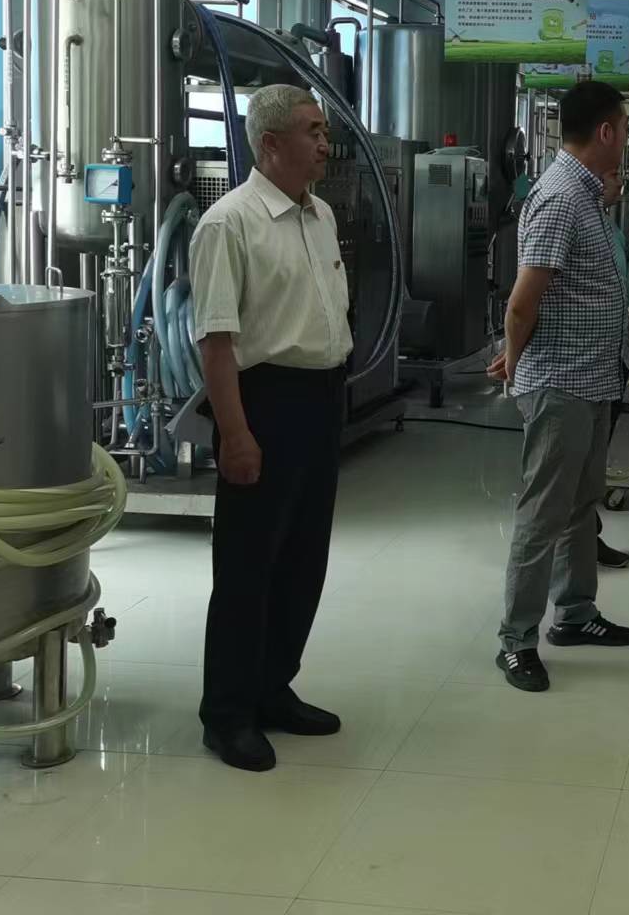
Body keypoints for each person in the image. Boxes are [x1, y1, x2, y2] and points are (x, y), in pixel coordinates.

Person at [191, 84, 352, 772]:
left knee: (303, 560)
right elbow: (216, 343)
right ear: (270, 144)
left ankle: (272, 688)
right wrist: (235, 434)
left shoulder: (321, 215)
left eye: (324, 131)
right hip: (265, 401)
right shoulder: (228, 224)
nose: (324, 144)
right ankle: (227, 715)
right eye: (313, 131)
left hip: (322, 397)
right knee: (247, 566)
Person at [488, 80, 629, 692]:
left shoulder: (587, 194)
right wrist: (514, 358)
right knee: (543, 513)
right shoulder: (559, 198)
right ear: (605, 132)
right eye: (624, 129)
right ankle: (516, 641)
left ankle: (574, 614)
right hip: (561, 383)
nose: (625, 140)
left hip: (592, 377)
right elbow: (523, 302)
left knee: (579, 506)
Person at [597, 168, 629, 570]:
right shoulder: (563, 212)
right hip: (577, 367)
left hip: (612, 355)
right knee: (566, 470)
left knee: (591, 464)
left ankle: (584, 540)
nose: (620, 182)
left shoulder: (609, 227)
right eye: (612, 174)